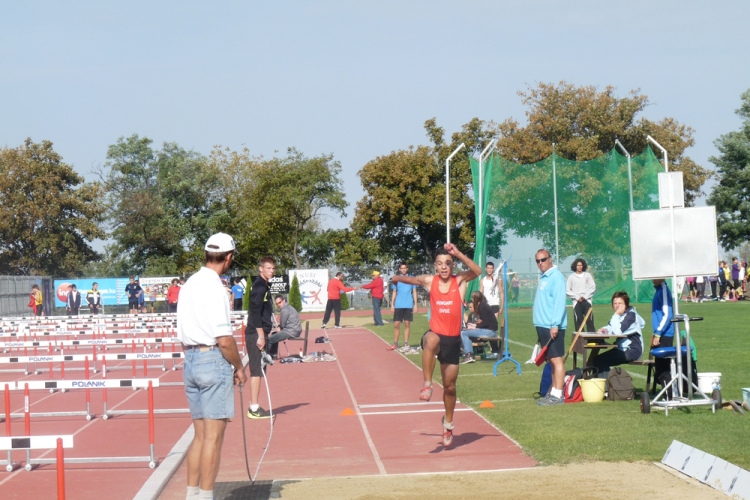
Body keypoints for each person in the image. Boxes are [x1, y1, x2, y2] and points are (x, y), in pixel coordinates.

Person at [176, 232, 246, 500]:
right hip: (211, 358)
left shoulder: (189, 283)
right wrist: (239, 367)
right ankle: (205, 496)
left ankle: (192, 494)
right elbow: (225, 340)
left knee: (200, 436)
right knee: (213, 439)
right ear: (228, 258)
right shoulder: (215, 287)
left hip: (191, 359)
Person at [392, 243, 481, 447]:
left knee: (450, 387)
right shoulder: (429, 281)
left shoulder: (459, 282)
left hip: (452, 340)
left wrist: (458, 253)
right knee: (431, 339)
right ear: (435, 266)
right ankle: (427, 384)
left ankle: (448, 424)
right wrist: (396, 278)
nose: (444, 267)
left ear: (452, 266)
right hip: (436, 334)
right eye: (440, 264)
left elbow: (477, 271)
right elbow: (412, 279)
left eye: (448, 264)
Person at [532, 249, 568, 406]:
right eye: (538, 261)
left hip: (552, 326)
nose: (540, 263)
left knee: (557, 359)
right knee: (551, 361)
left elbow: (559, 302)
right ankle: (553, 393)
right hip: (543, 325)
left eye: (543, 260)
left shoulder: (556, 277)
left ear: (550, 259)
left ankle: (558, 395)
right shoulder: (544, 277)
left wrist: (555, 325)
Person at [245, 256, 275, 419]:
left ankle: (255, 405)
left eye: (273, 268)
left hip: (261, 331)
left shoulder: (264, 285)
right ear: (261, 269)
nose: (271, 271)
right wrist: (261, 336)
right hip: (255, 333)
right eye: (268, 268)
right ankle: (253, 408)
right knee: (256, 370)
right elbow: (255, 311)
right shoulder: (259, 287)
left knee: (261, 369)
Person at [592, 291, 645, 378]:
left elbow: (617, 332)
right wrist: (604, 330)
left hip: (632, 350)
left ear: (626, 304)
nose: (617, 306)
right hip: (621, 349)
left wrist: (616, 314)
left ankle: (607, 389)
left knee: (602, 360)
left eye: (620, 303)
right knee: (596, 359)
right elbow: (611, 326)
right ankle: (599, 387)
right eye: (615, 303)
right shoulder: (621, 315)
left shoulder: (631, 316)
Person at [459, 291, 498, 364]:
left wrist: (475, 326)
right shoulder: (483, 305)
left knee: (464, 333)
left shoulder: (481, 306)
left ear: (476, 299)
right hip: (490, 330)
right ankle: (470, 354)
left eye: (473, 298)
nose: (472, 300)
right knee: (468, 334)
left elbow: (486, 323)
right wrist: (477, 324)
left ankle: (469, 355)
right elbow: (485, 320)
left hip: (490, 332)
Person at [388, 262, 418, 352]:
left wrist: (416, 304)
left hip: (408, 304)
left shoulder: (412, 278)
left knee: (407, 324)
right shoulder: (396, 279)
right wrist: (392, 304)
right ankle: (395, 343)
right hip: (399, 304)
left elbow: (414, 291)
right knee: (396, 324)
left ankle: (406, 343)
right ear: (399, 269)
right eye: (402, 268)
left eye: (405, 268)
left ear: (407, 269)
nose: (403, 269)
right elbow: (394, 292)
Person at [651, 278, 675, 388]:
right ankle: (667, 394)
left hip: (664, 334)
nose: (653, 279)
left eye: (656, 277)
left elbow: (667, 315)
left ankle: (668, 396)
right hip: (661, 333)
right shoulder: (659, 290)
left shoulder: (664, 290)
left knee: (663, 367)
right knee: (660, 366)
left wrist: (658, 333)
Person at [566, 258, 596, 333]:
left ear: (583, 266)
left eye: (581, 265)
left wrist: (585, 297)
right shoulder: (571, 277)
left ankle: (592, 340)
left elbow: (592, 287)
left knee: (590, 320)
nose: (579, 267)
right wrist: (577, 297)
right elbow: (567, 290)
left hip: (587, 301)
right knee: (579, 321)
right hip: (577, 302)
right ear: (575, 266)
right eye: (578, 265)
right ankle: (580, 340)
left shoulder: (587, 275)